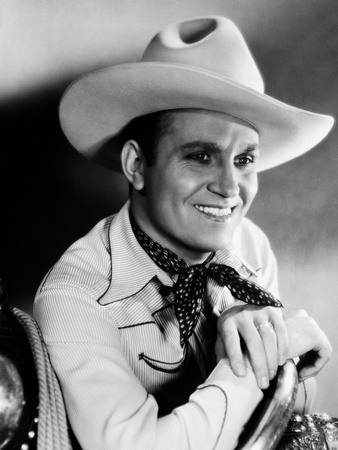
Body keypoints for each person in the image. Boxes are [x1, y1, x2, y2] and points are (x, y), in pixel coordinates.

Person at [34, 16, 334, 450]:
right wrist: (253, 357)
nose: (230, 189)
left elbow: (287, 416)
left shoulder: (250, 244)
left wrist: (275, 353)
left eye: (244, 160)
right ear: (136, 165)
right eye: (200, 156)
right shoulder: (75, 297)